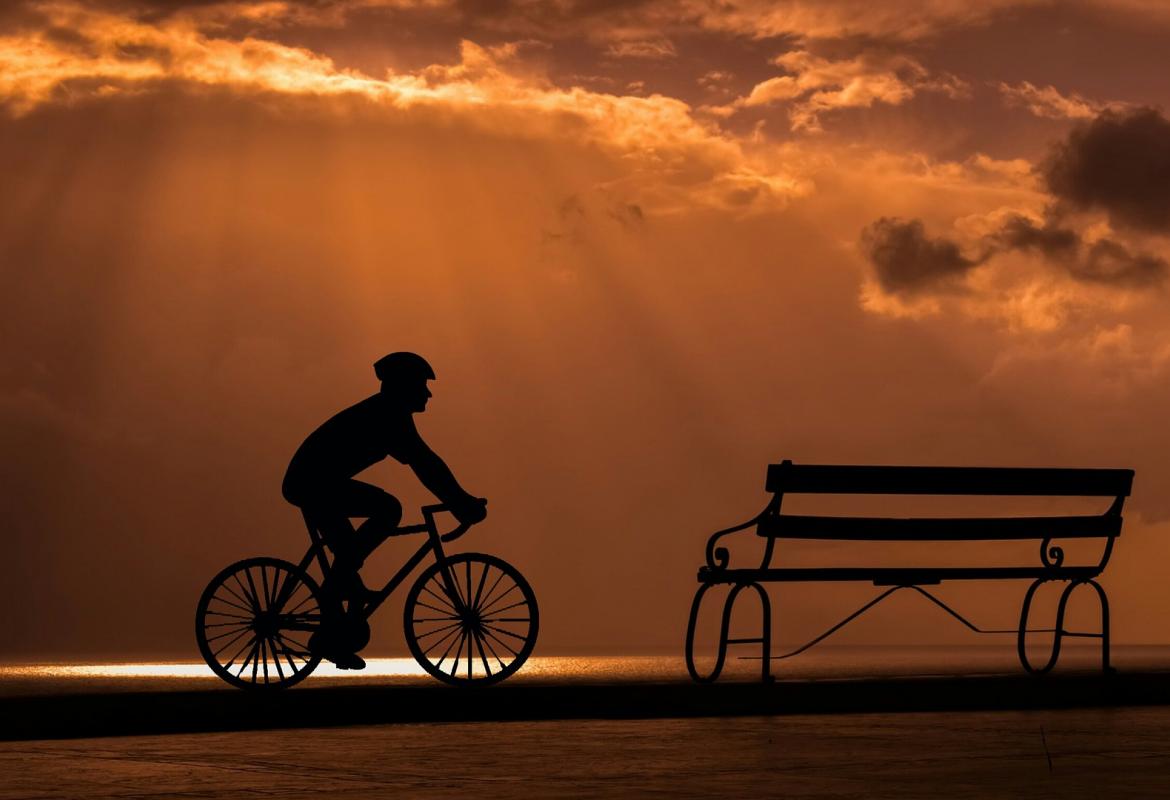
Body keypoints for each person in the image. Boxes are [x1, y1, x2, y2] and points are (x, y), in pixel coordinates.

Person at [282, 352, 487, 670]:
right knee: (387, 510)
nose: (428, 393)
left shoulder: (389, 413)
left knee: (350, 557)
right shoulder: (388, 416)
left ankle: (335, 620)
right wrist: (462, 503)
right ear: (404, 386)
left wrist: (461, 501)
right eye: (422, 385)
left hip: (316, 481)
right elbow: (426, 464)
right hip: (311, 483)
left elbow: (426, 463)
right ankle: (331, 608)